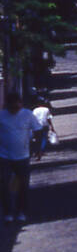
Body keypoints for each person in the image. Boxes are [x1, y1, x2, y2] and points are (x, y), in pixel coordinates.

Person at [0, 92, 38, 224]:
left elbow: (37, 130)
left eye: (17, 106)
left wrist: (37, 149)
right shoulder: (1, 116)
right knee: (4, 184)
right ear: (7, 105)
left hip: (23, 156)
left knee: (23, 185)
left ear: (21, 104)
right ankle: (8, 212)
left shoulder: (27, 114)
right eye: (12, 107)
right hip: (4, 156)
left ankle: (21, 212)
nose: (15, 109)